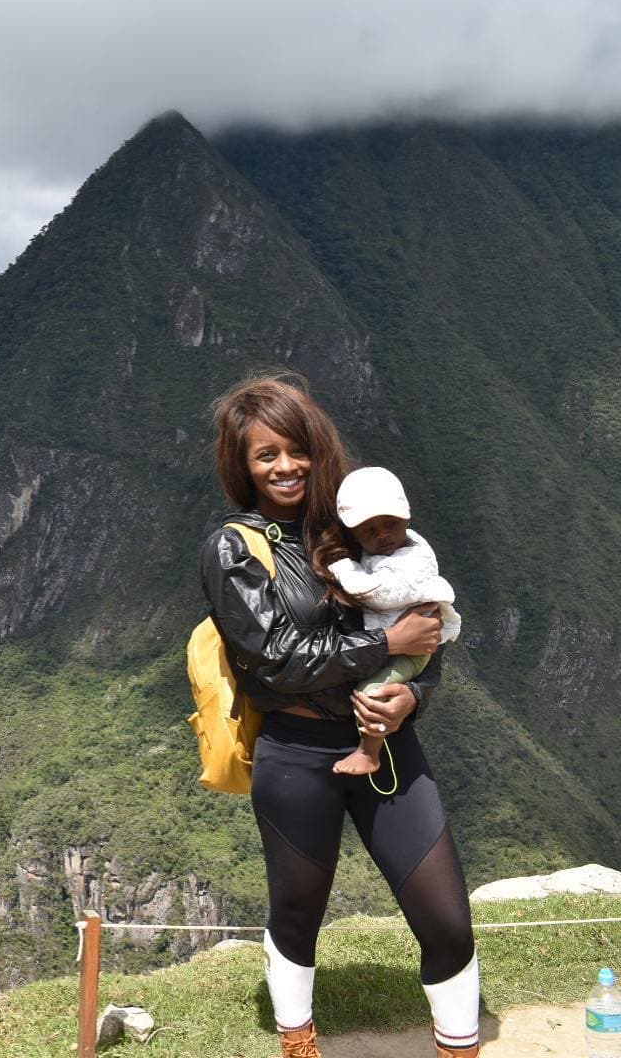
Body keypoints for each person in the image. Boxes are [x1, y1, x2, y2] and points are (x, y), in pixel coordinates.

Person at [198, 373, 479, 1058]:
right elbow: (275, 661)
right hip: (296, 754)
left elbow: (425, 624)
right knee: (298, 912)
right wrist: (385, 645)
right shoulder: (233, 549)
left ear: (318, 448)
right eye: (266, 455)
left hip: (388, 743)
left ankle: (461, 1047)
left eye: (297, 449)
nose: (285, 466)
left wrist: (414, 693)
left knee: (447, 921)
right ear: (243, 464)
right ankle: (299, 1042)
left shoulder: (359, 528)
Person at [327, 466, 462, 777]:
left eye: (390, 524)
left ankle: (369, 753)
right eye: (369, 531)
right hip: (401, 642)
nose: (382, 535)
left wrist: (342, 567)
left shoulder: (411, 563)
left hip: (412, 652)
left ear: (406, 518)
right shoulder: (402, 546)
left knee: (371, 693)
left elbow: (378, 594)